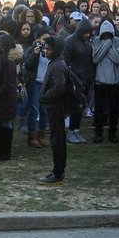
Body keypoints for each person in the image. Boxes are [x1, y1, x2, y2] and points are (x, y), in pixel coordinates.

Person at [38, 36, 68, 185]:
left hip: (55, 106)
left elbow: (59, 87)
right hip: (53, 106)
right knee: (56, 138)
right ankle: (58, 170)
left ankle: (58, 172)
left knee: (57, 140)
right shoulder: (55, 62)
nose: (46, 52)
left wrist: (45, 95)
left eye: (49, 49)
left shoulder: (57, 65)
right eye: (45, 49)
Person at [91, 20, 119, 143]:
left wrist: (108, 44)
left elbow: (117, 59)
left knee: (114, 110)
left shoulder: (118, 41)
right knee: (99, 109)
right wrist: (107, 44)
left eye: (109, 35)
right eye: (105, 35)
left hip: (115, 82)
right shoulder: (96, 41)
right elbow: (96, 59)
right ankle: (98, 132)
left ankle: (112, 133)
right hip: (100, 82)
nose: (107, 36)